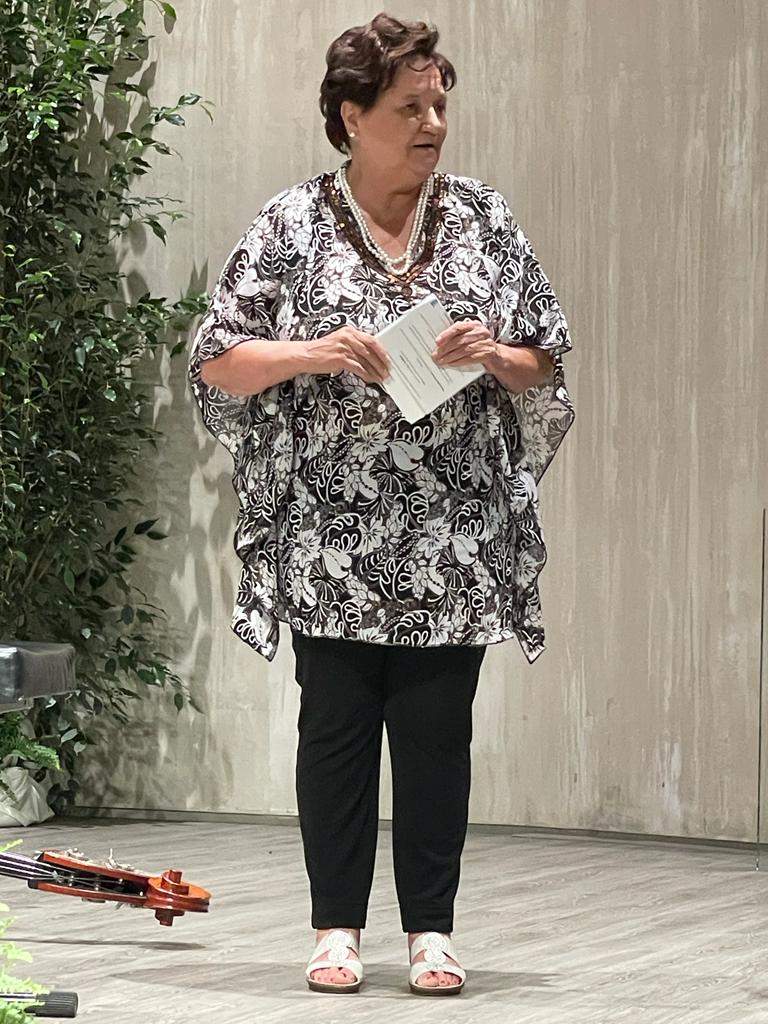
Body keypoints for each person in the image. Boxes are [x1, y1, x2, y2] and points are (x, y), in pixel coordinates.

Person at [188, 11, 575, 997]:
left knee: (440, 739)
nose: (433, 123)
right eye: (411, 107)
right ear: (353, 116)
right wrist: (315, 351)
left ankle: (433, 933)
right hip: (333, 538)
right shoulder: (291, 224)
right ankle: (336, 931)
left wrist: (495, 354)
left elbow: (545, 359)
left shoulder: (483, 218)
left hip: (454, 535)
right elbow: (218, 359)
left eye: (440, 105)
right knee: (337, 736)